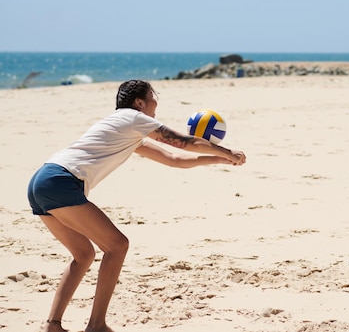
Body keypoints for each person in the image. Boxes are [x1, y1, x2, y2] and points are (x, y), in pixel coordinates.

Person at [27, 80, 246, 332]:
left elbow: (173, 158)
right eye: (153, 98)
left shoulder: (124, 128)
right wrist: (228, 151)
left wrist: (218, 159)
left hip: (41, 181)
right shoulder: (132, 118)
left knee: (84, 255)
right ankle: (96, 325)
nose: (155, 105)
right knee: (117, 246)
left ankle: (52, 325)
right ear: (139, 102)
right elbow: (182, 142)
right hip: (60, 182)